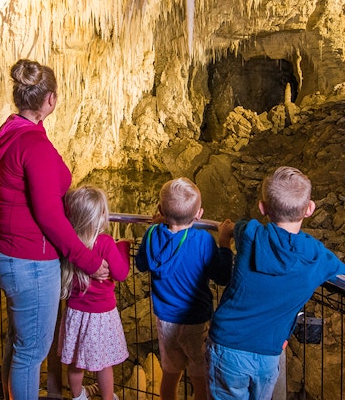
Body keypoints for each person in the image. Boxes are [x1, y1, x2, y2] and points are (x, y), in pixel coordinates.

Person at [0, 59, 109, 400]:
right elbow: (50, 216)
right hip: (30, 259)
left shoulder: (14, 134)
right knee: (33, 352)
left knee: (20, 342)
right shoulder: (35, 147)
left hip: (11, 253)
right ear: (50, 100)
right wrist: (86, 259)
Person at [206, 166, 345, 400]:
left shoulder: (250, 233)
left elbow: (235, 227)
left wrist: (226, 233)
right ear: (309, 209)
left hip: (227, 346)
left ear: (263, 208)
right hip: (267, 354)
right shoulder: (317, 257)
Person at [135, 177, 234, 400]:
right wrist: (225, 244)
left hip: (165, 320)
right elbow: (223, 276)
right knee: (201, 378)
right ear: (199, 214)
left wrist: (157, 226)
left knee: (170, 373)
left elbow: (141, 264)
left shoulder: (151, 235)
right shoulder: (202, 241)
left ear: (160, 209)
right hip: (196, 321)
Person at [58, 185, 131, 400]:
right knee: (104, 363)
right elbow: (120, 273)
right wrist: (123, 248)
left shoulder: (68, 243)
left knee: (75, 361)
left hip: (75, 313)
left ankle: (78, 396)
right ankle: (108, 398)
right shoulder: (106, 243)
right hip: (102, 315)